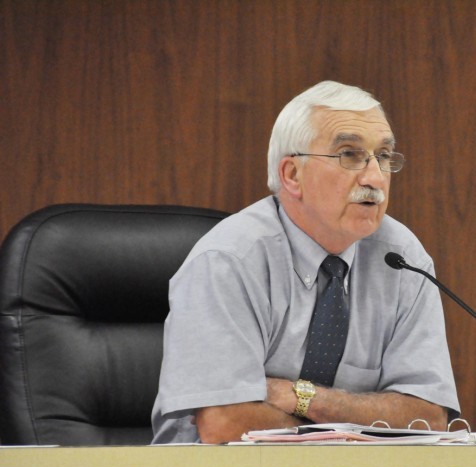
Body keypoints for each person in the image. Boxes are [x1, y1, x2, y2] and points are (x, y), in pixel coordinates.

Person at [151, 81, 460, 444]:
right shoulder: (228, 261)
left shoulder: (402, 258)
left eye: (384, 157)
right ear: (292, 175)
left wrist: (303, 397)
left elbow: (427, 418)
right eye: (350, 155)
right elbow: (226, 425)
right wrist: (364, 418)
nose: (375, 178)